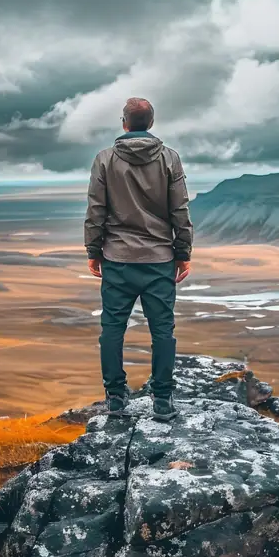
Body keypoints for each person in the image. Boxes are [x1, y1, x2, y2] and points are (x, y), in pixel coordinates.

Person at [84, 97, 193, 421]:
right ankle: (162, 401)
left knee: (112, 329)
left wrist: (94, 251)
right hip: (159, 260)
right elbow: (180, 210)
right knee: (162, 331)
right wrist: (183, 253)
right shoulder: (169, 159)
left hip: (117, 259)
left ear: (124, 123)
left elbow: (96, 210)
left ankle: (115, 398)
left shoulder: (104, 159)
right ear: (151, 123)